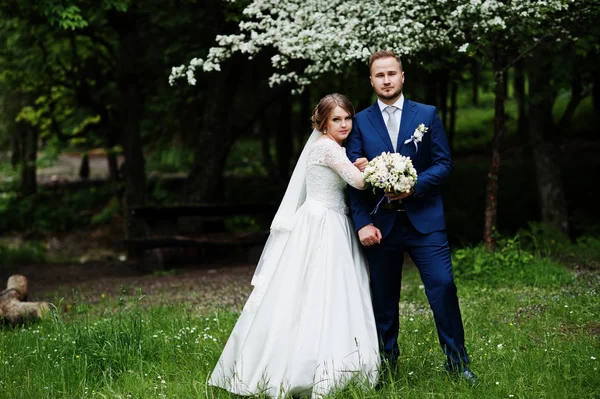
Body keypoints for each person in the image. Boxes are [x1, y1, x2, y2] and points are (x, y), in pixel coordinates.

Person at [209, 93, 380, 398]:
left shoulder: (328, 148)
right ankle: (314, 365)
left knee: (315, 291)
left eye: (347, 118)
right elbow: (359, 182)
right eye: (336, 119)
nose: (343, 125)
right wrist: (378, 166)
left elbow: (347, 173)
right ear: (324, 123)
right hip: (324, 224)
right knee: (321, 290)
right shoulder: (328, 147)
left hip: (322, 219)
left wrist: (359, 164)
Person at [345, 51, 476, 384]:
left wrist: (414, 186)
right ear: (371, 81)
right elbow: (352, 180)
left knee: (443, 288)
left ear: (403, 77)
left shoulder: (428, 115)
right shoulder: (358, 121)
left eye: (392, 73)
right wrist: (362, 223)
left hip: (425, 222)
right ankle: (386, 368)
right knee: (384, 300)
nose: (387, 80)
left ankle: (458, 365)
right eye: (380, 75)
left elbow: (444, 165)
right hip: (381, 225)